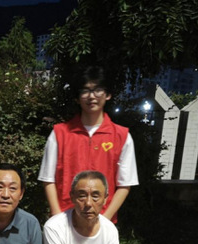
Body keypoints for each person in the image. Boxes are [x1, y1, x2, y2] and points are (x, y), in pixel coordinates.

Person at [38, 66, 138, 222]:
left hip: (102, 219)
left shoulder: (122, 136)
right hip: (65, 218)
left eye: (98, 90)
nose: (91, 96)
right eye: (85, 91)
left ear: (108, 94)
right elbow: (48, 179)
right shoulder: (59, 134)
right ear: (77, 98)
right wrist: (58, 218)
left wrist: (104, 221)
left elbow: (125, 184)